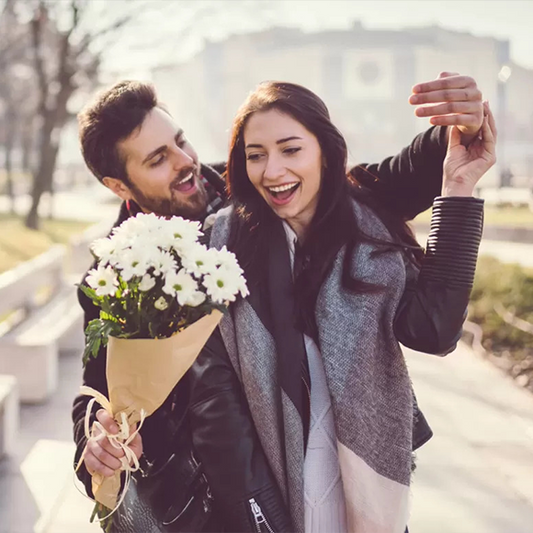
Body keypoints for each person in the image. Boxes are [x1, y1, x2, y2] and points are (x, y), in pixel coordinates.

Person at [71, 76, 485, 531]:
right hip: (220, 493)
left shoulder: (253, 189)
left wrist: (453, 131)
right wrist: (94, 438)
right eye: (157, 159)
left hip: (331, 447)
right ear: (118, 185)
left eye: (180, 141)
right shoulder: (116, 274)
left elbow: (372, 186)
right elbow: (100, 388)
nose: (185, 162)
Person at [187, 82, 496, 533]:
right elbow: (216, 405)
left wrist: (459, 180)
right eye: (255, 155)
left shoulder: (365, 222)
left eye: (290, 149)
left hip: (361, 481)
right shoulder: (225, 248)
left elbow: (434, 330)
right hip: (266, 495)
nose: (272, 171)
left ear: (325, 153)